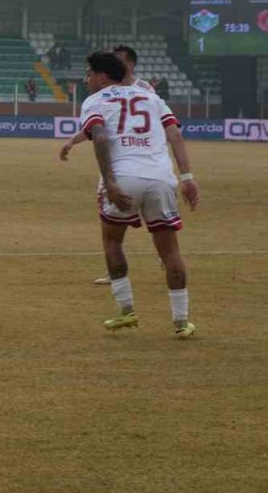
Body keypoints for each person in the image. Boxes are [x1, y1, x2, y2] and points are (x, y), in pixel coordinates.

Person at [72, 51, 200, 338]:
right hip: (161, 179)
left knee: (113, 241)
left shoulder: (94, 101)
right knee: (170, 252)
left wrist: (110, 181)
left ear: (102, 76)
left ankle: (126, 310)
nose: (86, 79)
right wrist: (188, 178)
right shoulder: (152, 97)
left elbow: (101, 137)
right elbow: (175, 135)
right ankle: (181, 322)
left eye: (89, 73)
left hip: (125, 177)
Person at [59, 43, 157, 285]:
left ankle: (165, 256)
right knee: (112, 219)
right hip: (115, 163)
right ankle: (113, 271)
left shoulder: (144, 90)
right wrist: (73, 140)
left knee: (151, 215)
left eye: (120, 60)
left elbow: (158, 124)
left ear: (131, 64)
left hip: (143, 161)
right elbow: (98, 128)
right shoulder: (105, 94)